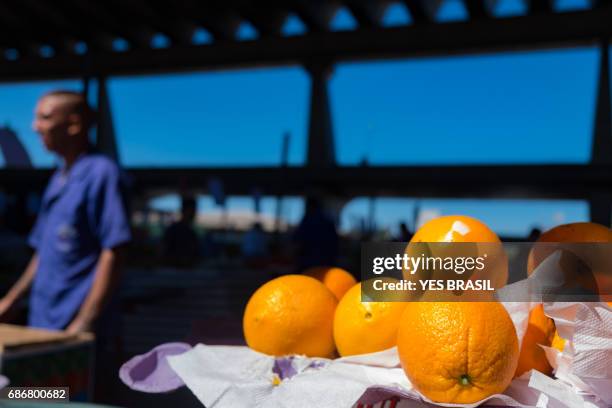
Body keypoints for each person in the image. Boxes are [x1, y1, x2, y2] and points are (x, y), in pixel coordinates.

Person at [0, 90, 131, 337]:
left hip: (74, 321)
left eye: (45, 118)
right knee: (33, 376)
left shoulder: (102, 174)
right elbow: (43, 252)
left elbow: (113, 251)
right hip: (44, 316)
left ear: (73, 124)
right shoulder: (58, 179)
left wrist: (84, 321)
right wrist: (12, 299)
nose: (35, 126)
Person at [293, 197, 338, 271]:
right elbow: (335, 243)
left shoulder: (307, 220)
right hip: (327, 261)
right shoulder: (328, 221)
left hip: (307, 260)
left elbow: (297, 241)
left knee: (307, 279)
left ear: (309, 206)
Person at [162, 195, 200, 267]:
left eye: (194, 211)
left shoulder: (191, 232)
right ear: (183, 211)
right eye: (191, 210)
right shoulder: (173, 230)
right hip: (173, 271)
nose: (193, 214)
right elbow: (163, 251)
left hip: (187, 271)